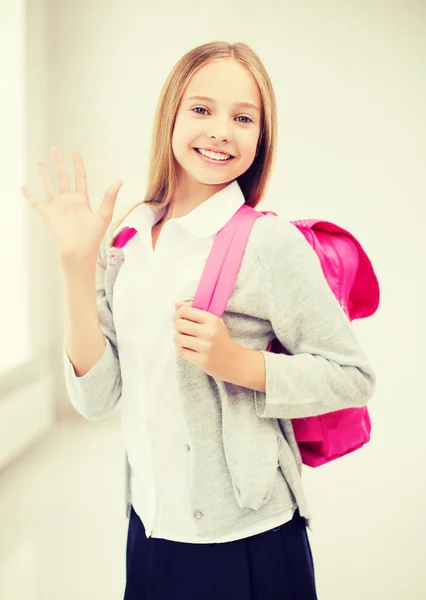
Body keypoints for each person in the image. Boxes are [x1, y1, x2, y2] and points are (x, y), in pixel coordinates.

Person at [22, 41, 376, 600]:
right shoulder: (129, 237)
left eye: (242, 118)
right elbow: (96, 398)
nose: (220, 131)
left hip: (248, 540)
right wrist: (74, 266)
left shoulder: (269, 243)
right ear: (172, 115)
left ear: (261, 138)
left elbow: (353, 376)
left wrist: (240, 364)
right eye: (202, 109)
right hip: (150, 527)